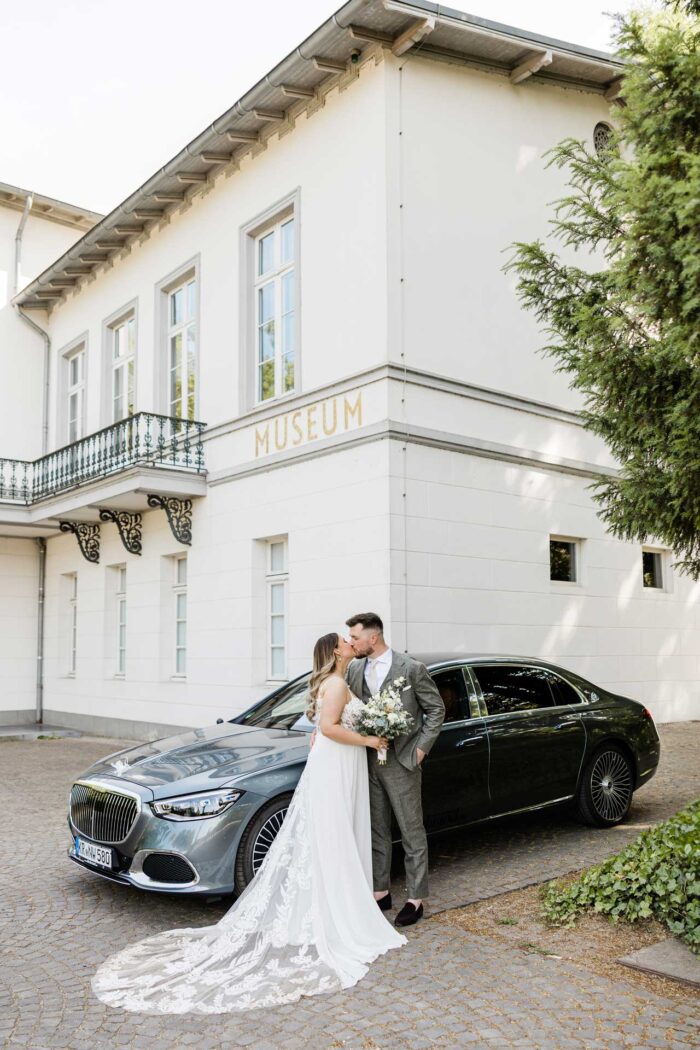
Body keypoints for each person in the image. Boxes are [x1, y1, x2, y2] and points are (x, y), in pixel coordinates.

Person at [91, 632, 406, 1015]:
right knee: (332, 832)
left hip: (334, 760)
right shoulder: (338, 682)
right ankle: (337, 908)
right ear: (335, 651)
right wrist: (371, 740)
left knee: (326, 833)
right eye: (344, 639)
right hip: (339, 759)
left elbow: (323, 726)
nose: (349, 640)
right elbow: (327, 728)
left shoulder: (332, 681)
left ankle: (335, 895)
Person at [345, 613, 445, 927]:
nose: (351, 642)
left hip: (403, 761)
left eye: (355, 637)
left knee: (411, 830)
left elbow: (436, 709)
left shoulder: (411, 669)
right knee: (377, 829)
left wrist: (420, 749)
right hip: (367, 760)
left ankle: (416, 898)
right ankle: (380, 891)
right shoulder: (354, 668)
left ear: (372, 637)